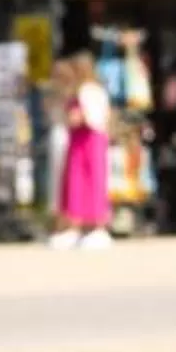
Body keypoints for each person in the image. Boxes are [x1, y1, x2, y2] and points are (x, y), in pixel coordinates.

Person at [50, 53, 113, 250]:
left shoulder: (85, 91)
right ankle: (79, 226)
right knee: (80, 183)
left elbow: (78, 117)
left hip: (87, 140)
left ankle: (92, 225)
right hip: (84, 141)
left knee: (87, 182)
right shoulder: (93, 90)